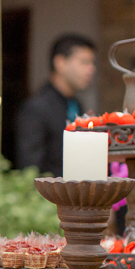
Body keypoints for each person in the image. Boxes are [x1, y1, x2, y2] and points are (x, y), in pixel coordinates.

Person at [15, 34, 97, 176]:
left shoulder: (76, 104)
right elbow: (30, 169)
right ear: (60, 63)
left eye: (92, 63)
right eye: (84, 62)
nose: (91, 69)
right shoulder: (36, 108)